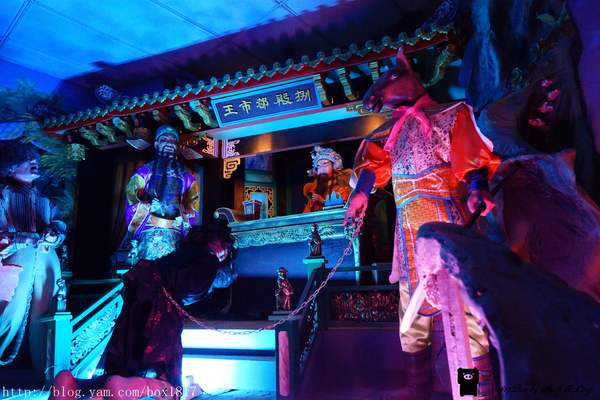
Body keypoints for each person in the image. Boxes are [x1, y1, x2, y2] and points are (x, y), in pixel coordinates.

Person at [344, 48, 501, 399]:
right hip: (410, 237)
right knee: (412, 321)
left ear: (408, 73)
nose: (380, 90)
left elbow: (472, 161)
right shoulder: (389, 132)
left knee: (468, 320)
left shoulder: (450, 115)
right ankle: (419, 391)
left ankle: (473, 392)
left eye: (390, 77)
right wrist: (362, 192)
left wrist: (477, 186)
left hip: (451, 228)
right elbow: (373, 166)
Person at [49, 221, 237, 400]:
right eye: (226, 251)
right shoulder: (208, 258)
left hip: (137, 308)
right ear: (219, 243)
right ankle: (123, 387)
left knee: (124, 367)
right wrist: (215, 281)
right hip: (161, 314)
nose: (223, 256)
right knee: (165, 383)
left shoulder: (183, 252)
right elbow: (189, 289)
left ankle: (72, 385)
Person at [0, 140, 66, 376]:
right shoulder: (3, 195)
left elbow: (59, 223)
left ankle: (45, 367)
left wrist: (54, 234)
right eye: (27, 158)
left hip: (46, 257)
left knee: (46, 312)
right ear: (10, 166)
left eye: (35, 158)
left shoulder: (45, 200)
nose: (34, 162)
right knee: (10, 310)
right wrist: (22, 239)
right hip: (15, 257)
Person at [125, 125, 199, 261]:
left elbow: (193, 201)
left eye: (173, 141)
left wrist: (184, 212)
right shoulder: (145, 171)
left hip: (175, 233)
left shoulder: (186, 175)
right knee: (148, 269)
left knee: (173, 268)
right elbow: (131, 195)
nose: (169, 144)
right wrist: (146, 206)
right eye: (164, 140)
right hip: (149, 231)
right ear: (156, 145)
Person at [302, 146, 352, 213]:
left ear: (333, 166)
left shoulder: (343, 188)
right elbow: (306, 214)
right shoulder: (315, 192)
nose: (322, 169)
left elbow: (345, 210)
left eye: (325, 164)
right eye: (318, 166)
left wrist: (323, 202)